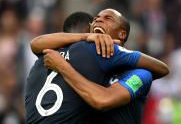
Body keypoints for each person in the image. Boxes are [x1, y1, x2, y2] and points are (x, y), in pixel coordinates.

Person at [26, 10, 168, 124]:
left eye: (108, 18)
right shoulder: (89, 61)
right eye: (96, 18)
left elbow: (102, 100)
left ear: (122, 34)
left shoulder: (140, 74)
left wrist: (62, 66)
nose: (99, 20)